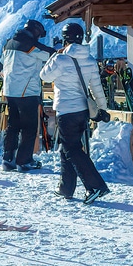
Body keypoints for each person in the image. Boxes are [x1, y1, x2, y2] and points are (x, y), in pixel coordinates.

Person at [39, 21, 111, 204]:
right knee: (67, 148)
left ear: (65, 40)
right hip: (83, 111)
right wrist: (102, 109)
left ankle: (95, 186)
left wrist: (54, 56)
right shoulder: (90, 60)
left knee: (72, 149)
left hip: (66, 110)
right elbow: (97, 88)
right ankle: (66, 188)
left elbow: (44, 76)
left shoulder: (60, 60)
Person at [0, 19, 53, 172]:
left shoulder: (8, 43)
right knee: (29, 127)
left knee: (13, 125)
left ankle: (7, 158)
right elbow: (50, 55)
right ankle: (24, 161)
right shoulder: (31, 45)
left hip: (9, 90)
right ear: (35, 31)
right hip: (27, 91)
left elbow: (0, 65)